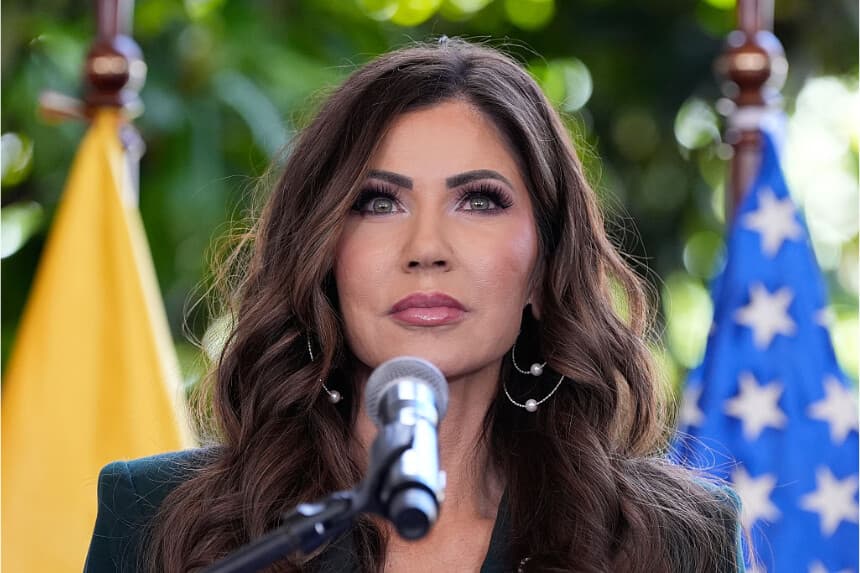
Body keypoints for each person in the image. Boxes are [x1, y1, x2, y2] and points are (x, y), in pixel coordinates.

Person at [84, 38, 744, 572]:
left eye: (479, 199)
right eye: (379, 202)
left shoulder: (675, 542)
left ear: (545, 265)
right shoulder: (160, 517)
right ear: (324, 258)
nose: (425, 247)